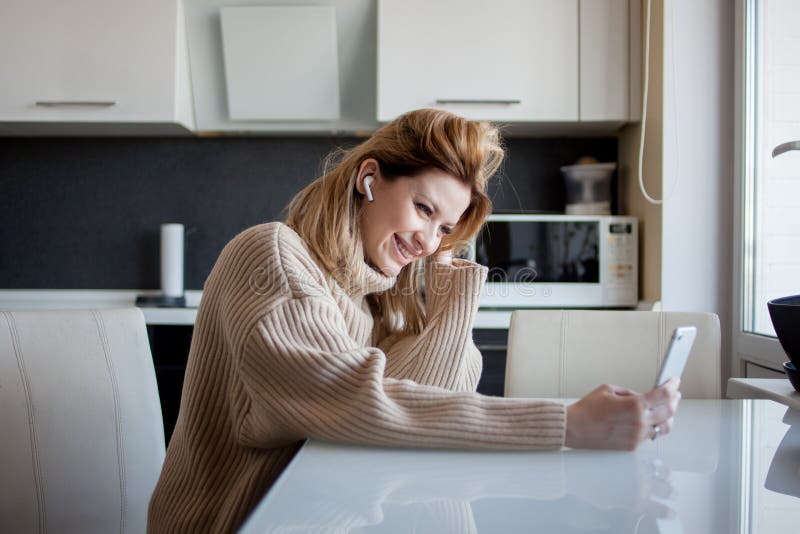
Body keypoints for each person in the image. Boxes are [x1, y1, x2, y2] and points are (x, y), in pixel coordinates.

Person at [147, 108, 680, 533]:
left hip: (325, 508)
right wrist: (567, 425)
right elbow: (359, 402)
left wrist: (452, 298)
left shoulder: (370, 294)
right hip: (240, 521)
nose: (430, 241)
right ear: (370, 179)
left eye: (445, 227)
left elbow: (418, 407)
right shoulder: (274, 255)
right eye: (424, 209)